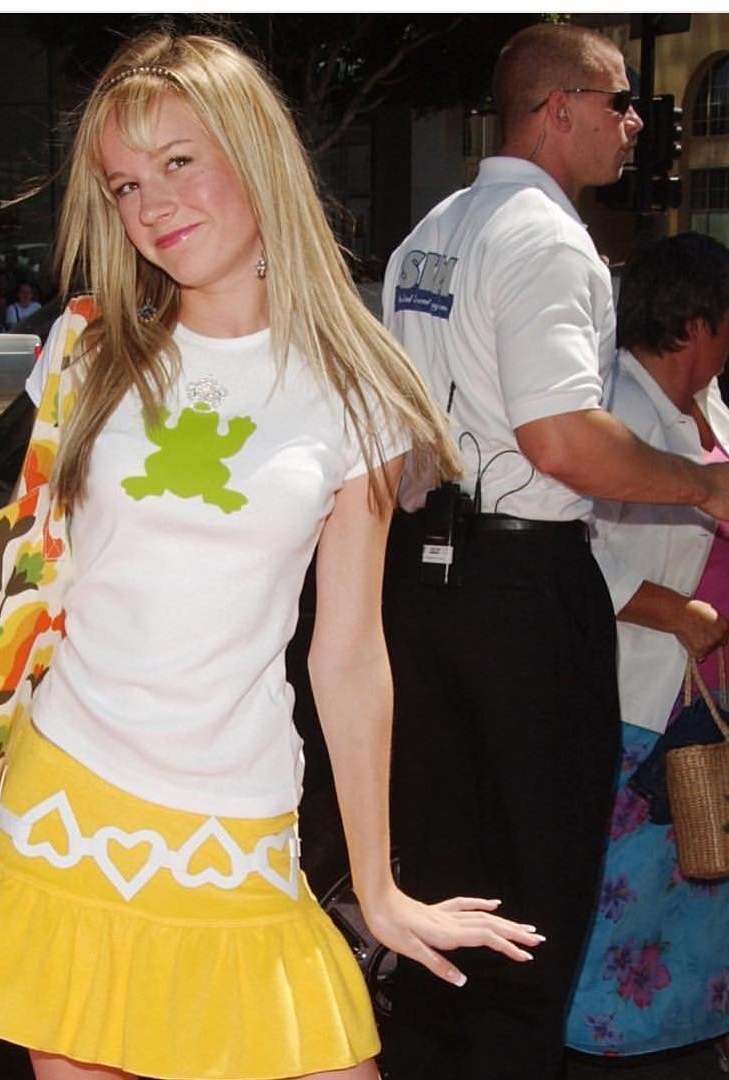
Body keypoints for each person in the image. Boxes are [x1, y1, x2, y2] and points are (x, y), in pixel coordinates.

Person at [0, 31, 542, 1080]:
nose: (152, 206)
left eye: (179, 162)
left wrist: (377, 886)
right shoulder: (87, 354)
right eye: (126, 184)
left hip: (238, 819)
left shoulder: (355, 387)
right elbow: (6, 582)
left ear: (255, 154)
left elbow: (350, 652)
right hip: (66, 806)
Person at [380, 23, 729, 1080]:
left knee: (446, 878)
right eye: (622, 102)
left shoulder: (430, 232)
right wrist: (705, 487)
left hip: (425, 572)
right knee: (536, 894)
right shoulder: (545, 238)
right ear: (558, 107)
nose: (637, 125)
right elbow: (563, 439)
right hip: (523, 581)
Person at [564, 233, 729, 1063]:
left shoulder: (710, 405)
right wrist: (679, 613)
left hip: (702, 704)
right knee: (622, 900)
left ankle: (681, 1044)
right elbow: (575, 552)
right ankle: (604, 1049)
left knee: (697, 889)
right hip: (643, 698)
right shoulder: (615, 408)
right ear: (697, 322)